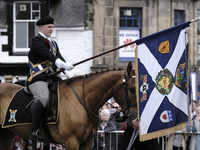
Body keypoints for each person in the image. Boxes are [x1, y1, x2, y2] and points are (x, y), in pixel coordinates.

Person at [26, 16, 74, 142]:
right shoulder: (37, 41)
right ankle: (33, 131)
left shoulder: (53, 44)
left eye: (52, 27)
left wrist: (67, 72)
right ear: (40, 27)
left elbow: (59, 57)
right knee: (43, 98)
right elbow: (49, 56)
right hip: (37, 78)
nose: (51, 29)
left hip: (52, 78)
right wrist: (63, 65)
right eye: (49, 27)